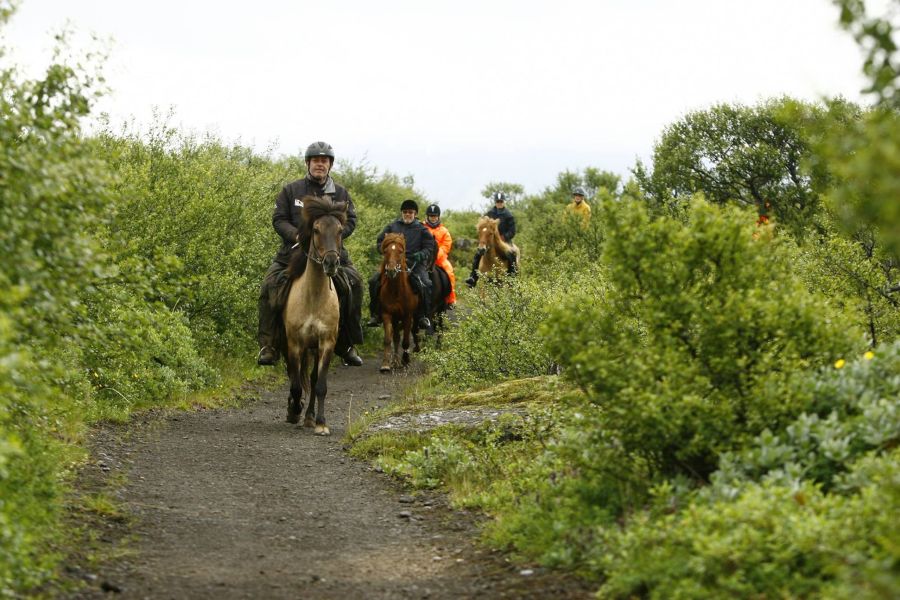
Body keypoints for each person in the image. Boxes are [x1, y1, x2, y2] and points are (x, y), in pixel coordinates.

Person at [257, 141, 364, 367]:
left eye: (324, 161)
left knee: (355, 284)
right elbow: (279, 219)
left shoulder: (341, 193)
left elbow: (351, 220)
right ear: (308, 163)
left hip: (331, 253)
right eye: (316, 160)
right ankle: (269, 345)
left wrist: (334, 238)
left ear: (330, 165)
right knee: (269, 286)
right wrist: (297, 236)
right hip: (293, 253)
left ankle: (346, 343)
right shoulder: (291, 190)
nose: (320, 164)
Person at [365, 199, 437, 334]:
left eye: (410, 212)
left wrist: (421, 254)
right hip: (393, 262)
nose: (407, 214)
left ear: (415, 213)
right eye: (405, 212)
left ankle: (423, 316)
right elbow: (380, 241)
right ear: (402, 213)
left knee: (426, 283)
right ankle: (375, 314)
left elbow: (429, 246)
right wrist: (385, 251)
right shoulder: (392, 226)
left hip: (414, 263)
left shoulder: (422, 229)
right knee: (373, 281)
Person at [465, 191, 517, 287]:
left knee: (511, 254)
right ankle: (473, 278)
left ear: (503, 202)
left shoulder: (508, 215)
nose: (499, 203)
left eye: (501, 201)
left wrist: (504, 237)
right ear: (495, 202)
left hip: (504, 240)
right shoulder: (490, 213)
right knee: (477, 255)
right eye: (498, 201)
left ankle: (512, 277)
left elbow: (512, 231)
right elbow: (484, 226)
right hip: (490, 239)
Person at [422, 203, 457, 307]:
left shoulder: (444, 231)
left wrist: (435, 255)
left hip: (439, 259)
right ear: (427, 216)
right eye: (431, 216)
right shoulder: (421, 228)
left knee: (449, 272)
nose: (433, 218)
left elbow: (446, 246)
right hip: (424, 258)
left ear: (438, 217)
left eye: (435, 216)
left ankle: (450, 299)